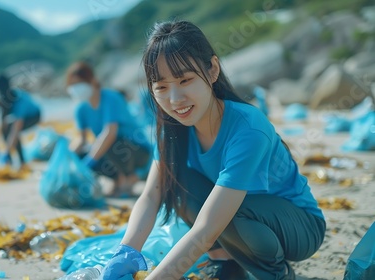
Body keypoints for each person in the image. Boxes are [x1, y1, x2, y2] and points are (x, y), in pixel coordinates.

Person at [100, 20, 326, 280]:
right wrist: (127, 251)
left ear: (212, 70)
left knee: (230, 212)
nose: (175, 100)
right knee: (174, 182)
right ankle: (224, 261)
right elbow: (151, 196)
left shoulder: (248, 127)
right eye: (161, 87)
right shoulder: (171, 129)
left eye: (185, 80)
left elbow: (208, 227)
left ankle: (275, 273)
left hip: (298, 228)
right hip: (239, 224)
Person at [65, 62, 151, 197]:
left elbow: (110, 132)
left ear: (92, 80)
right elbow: (81, 139)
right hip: (112, 149)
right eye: (73, 85)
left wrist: (89, 163)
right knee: (82, 153)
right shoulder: (81, 108)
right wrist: (68, 157)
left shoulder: (110, 98)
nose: (76, 88)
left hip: (137, 149)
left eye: (80, 83)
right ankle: (117, 179)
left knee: (109, 141)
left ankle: (130, 178)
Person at [0, 73, 42, 167]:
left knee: (11, 129)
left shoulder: (18, 99)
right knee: (5, 128)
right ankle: (8, 162)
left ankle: (22, 162)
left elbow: (16, 129)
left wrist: (6, 151)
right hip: (15, 116)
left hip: (34, 115)